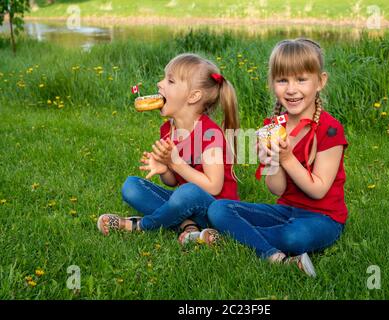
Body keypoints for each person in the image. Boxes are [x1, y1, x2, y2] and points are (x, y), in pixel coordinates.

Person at [207, 38, 349, 277]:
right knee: (219, 209)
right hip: (286, 211)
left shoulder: (330, 129)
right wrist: (273, 161)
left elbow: (318, 190)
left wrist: (286, 158)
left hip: (324, 218)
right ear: (272, 84)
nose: (291, 89)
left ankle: (238, 237)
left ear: (320, 82)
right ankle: (275, 256)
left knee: (294, 236)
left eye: (301, 79)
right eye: (282, 80)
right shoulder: (272, 127)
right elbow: (277, 189)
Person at [97, 53, 240, 245]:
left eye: (170, 81)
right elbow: (173, 182)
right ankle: (188, 226)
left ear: (193, 96)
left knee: (187, 192)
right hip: (184, 204)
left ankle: (140, 225)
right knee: (132, 187)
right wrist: (165, 169)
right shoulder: (167, 130)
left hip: (215, 210)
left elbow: (214, 185)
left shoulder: (209, 133)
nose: (159, 83)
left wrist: (175, 163)